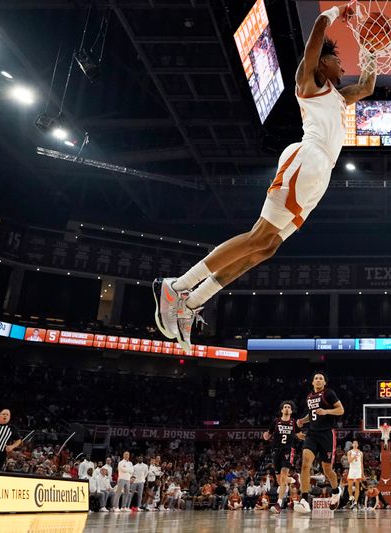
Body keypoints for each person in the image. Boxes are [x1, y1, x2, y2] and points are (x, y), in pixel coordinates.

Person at [153, 3, 377, 354]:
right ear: (321, 63)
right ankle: (176, 286)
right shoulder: (308, 81)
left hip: (320, 175)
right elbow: (318, 28)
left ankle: (194, 301)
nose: (342, 66)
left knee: (267, 246)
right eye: (337, 61)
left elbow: (366, 87)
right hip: (306, 159)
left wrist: (374, 48)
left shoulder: (337, 96)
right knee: (259, 234)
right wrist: (337, 12)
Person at [295, 372, 345, 513]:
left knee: (327, 470)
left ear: (324, 383)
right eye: (316, 378)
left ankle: (335, 492)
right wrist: (302, 421)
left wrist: (326, 411)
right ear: (312, 382)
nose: (318, 380)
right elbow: (312, 415)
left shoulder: (329, 393)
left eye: (320, 379)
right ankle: (304, 498)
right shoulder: (310, 396)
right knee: (305, 463)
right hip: (312, 433)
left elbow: (341, 410)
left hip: (327, 434)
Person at [262, 400, 303, 513]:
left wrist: (311, 436)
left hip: (288, 450)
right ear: (281, 410)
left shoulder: (294, 422)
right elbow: (267, 435)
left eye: (288, 407)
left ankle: (278, 504)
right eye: (284, 407)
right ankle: (293, 479)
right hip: (276, 450)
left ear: (291, 410)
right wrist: (265, 436)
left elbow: (300, 436)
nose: (286, 408)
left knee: (284, 474)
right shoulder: (275, 422)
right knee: (280, 481)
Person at [346, 440, 363, 509]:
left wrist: (362, 473)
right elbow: (349, 461)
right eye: (354, 443)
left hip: (358, 470)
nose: (355, 444)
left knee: (357, 486)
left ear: (358, 445)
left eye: (356, 443)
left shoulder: (361, 453)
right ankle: (351, 496)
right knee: (349, 486)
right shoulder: (349, 452)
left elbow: (361, 463)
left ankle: (355, 502)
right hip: (352, 469)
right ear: (352, 445)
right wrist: (354, 456)